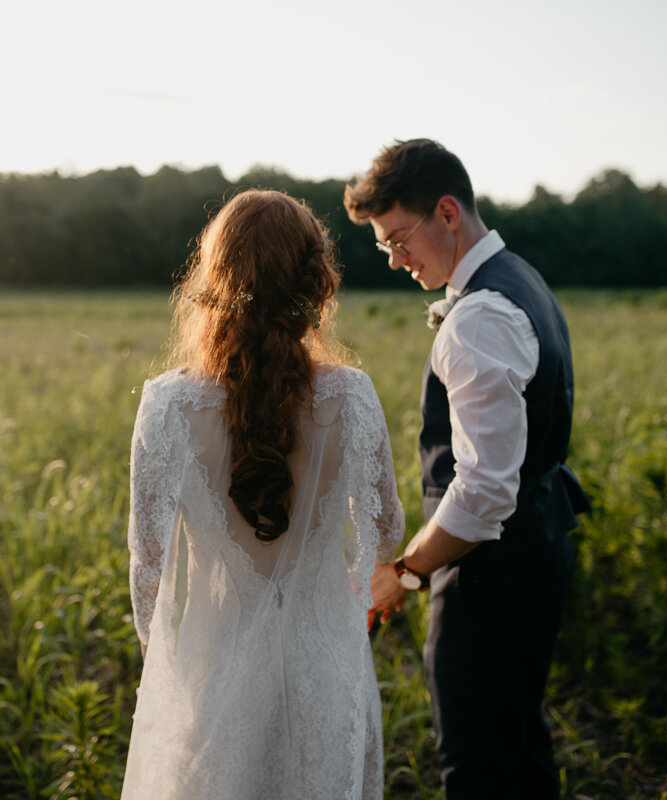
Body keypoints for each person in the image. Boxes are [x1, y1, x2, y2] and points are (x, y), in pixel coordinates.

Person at [120, 189, 405, 800]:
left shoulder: (168, 405)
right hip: (323, 665)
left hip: (215, 666)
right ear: (316, 286)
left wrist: (170, 662)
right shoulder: (352, 398)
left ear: (214, 280)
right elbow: (386, 533)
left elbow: (148, 567)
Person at [344, 139, 589, 799]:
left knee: (479, 763)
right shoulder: (520, 277)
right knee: (518, 743)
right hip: (534, 551)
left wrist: (408, 573)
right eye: (383, 246)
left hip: (493, 575)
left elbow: (481, 494)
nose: (394, 259)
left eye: (399, 238)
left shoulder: (479, 315)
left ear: (447, 213)